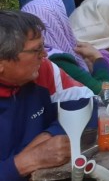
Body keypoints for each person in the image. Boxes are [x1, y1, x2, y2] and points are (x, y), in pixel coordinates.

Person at [0, 11, 73, 180]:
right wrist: (26, 161)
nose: (44, 55)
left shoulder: (41, 70)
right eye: (36, 50)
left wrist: (48, 134)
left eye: (43, 46)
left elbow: (86, 103)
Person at [21, 0, 109, 95]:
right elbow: (104, 94)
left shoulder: (24, 56)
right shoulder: (57, 60)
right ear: (58, 22)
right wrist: (98, 58)